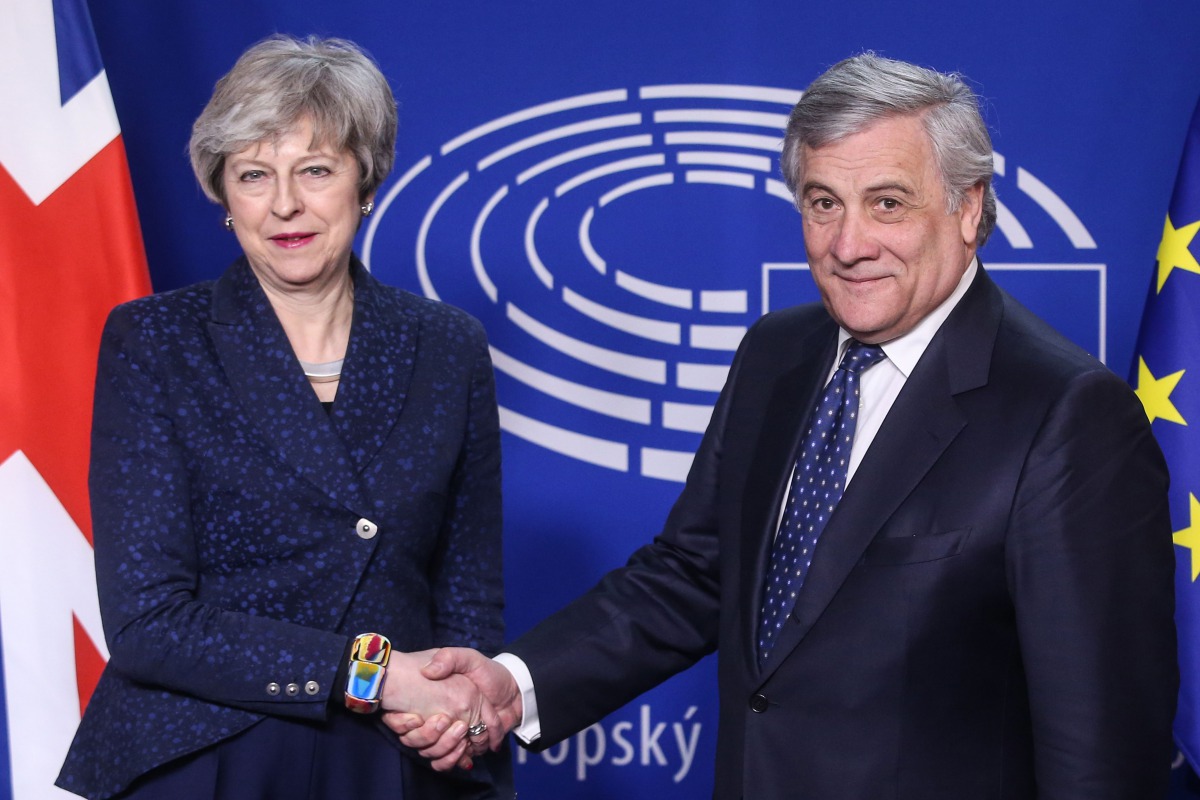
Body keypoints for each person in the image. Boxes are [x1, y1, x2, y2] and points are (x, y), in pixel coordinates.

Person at [393, 53, 1179, 798]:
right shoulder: (778, 354)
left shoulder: (1067, 414)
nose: (849, 245)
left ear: (969, 208)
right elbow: (694, 575)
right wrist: (514, 685)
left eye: (888, 203)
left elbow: (1102, 752)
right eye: (823, 203)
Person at [56, 35, 511, 800]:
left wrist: (452, 710)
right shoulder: (157, 342)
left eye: (316, 171)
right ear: (224, 196)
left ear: (365, 181)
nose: (285, 205)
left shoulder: (448, 347)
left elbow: (467, 602)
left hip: (390, 757)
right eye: (254, 176)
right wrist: (374, 677)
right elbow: (148, 623)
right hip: (207, 750)